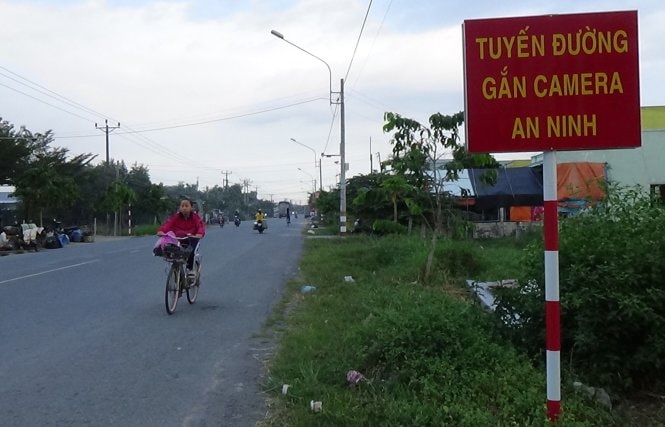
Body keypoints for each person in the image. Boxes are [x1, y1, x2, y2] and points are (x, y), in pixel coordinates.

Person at [157, 198, 205, 278]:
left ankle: (190, 270)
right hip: (179, 240)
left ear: (191, 208)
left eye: (186, 206)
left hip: (192, 239)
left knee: (191, 251)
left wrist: (199, 234)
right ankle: (176, 270)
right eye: (182, 206)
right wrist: (161, 231)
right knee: (171, 251)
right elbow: (168, 225)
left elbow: (200, 227)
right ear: (179, 208)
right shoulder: (175, 217)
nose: (184, 208)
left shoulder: (195, 218)